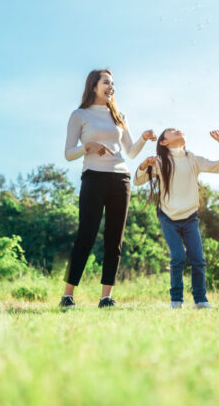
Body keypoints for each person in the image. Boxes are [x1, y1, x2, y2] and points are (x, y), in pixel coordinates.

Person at [60, 69, 156, 308]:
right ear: (93, 86)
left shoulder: (119, 115)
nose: (111, 86)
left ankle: (106, 297)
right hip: (93, 177)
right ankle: (68, 295)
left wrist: (143, 137)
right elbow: (68, 153)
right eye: (106, 82)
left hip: (120, 179)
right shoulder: (79, 115)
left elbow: (131, 151)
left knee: (115, 240)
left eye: (113, 83)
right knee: (86, 235)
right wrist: (88, 146)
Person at [134, 128, 219, 309]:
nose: (177, 130)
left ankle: (201, 300)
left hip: (190, 217)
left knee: (198, 258)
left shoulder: (192, 160)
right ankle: (176, 300)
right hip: (168, 217)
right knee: (178, 257)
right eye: (171, 131)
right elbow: (138, 181)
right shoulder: (161, 162)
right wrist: (144, 165)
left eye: (177, 129)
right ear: (163, 142)